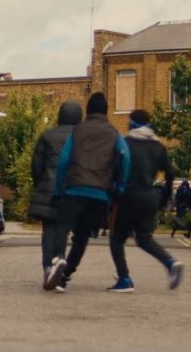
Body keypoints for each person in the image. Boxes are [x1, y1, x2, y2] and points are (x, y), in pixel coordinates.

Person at [44, 92, 131, 293]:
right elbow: (125, 159)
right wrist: (120, 187)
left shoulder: (78, 131)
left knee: (63, 227)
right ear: (106, 111)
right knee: (81, 238)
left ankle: (58, 258)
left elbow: (64, 161)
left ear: (88, 110)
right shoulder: (114, 133)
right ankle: (64, 277)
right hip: (99, 194)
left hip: (74, 189)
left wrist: (58, 190)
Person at [107, 109, 184, 292]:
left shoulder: (125, 144)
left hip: (127, 198)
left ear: (132, 123)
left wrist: (112, 193)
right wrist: (163, 199)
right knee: (144, 239)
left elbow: (114, 171)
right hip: (149, 199)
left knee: (116, 239)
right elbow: (171, 175)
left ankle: (124, 279)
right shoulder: (158, 147)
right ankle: (170, 262)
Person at [28, 101, 82, 286]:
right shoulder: (81, 137)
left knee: (48, 230)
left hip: (48, 189)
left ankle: (47, 268)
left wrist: (40, 185)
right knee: (63, 230)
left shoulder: (47, 136)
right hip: (72, 190)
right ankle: (59, 260)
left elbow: (36, 166)